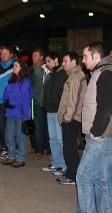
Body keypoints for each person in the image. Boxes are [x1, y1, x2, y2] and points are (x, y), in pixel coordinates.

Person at [76, 41, 112, 212]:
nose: (83, 60)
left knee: (83, 176)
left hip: (100, 137)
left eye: (85, 56)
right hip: (103, 136)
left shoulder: (105, 73)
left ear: (96, 56)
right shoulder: (100, 72)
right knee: (102, 179)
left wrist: (96, 132)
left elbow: (106, 106)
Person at [55, 51, 87, 185]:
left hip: (71, 118)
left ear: (73, 62)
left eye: (65, 61)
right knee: (69, 147)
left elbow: (74, 101)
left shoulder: (76, 77)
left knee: (70, 148)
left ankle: (72, 176)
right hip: (70, 117)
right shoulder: (72, 76)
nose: (63, 64)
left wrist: (67, 118)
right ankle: (72, 174)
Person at [1, 58, 32, 168]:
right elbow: (5, 93)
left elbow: (23, 96)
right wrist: (6, 102)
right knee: (8, 135)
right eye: (14, 65)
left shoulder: (26, 81)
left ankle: (20, 158)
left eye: (16, 66)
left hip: (21, 113)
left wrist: (11, 103)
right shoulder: (11, 81)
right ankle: (12, 155)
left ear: (22, 68)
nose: (13, 68)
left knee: (20, 136)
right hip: (10, 112)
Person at [42, 51, 68, 174]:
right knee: (52, 138)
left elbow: (62, 93)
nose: (47, 64)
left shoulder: (62, 74)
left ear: (56, 59)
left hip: (58, 110)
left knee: (60, 138)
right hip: (50, 110)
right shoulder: (51, 74)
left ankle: (63, 165)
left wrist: (59, 107)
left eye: (49, 61)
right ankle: (55, 163)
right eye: (46, 61)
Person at [0, 45, 14, 159]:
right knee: (0, 125)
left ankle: (10, 147)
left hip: (10, 103)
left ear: (11, 55)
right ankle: (5, 146)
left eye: (6, 53)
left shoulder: (15, 67)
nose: (4, 55)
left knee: (11, 126)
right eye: (2, 54)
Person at [30, 49, 51, 160]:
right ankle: (39, 151)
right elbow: (33, 86)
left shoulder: (53, 73)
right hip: (37, 103)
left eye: (49, 61)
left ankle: (49, 151)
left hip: (48, 104)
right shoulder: (37, 72)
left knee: (48, 129)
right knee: (38, 128)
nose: (47, 63)